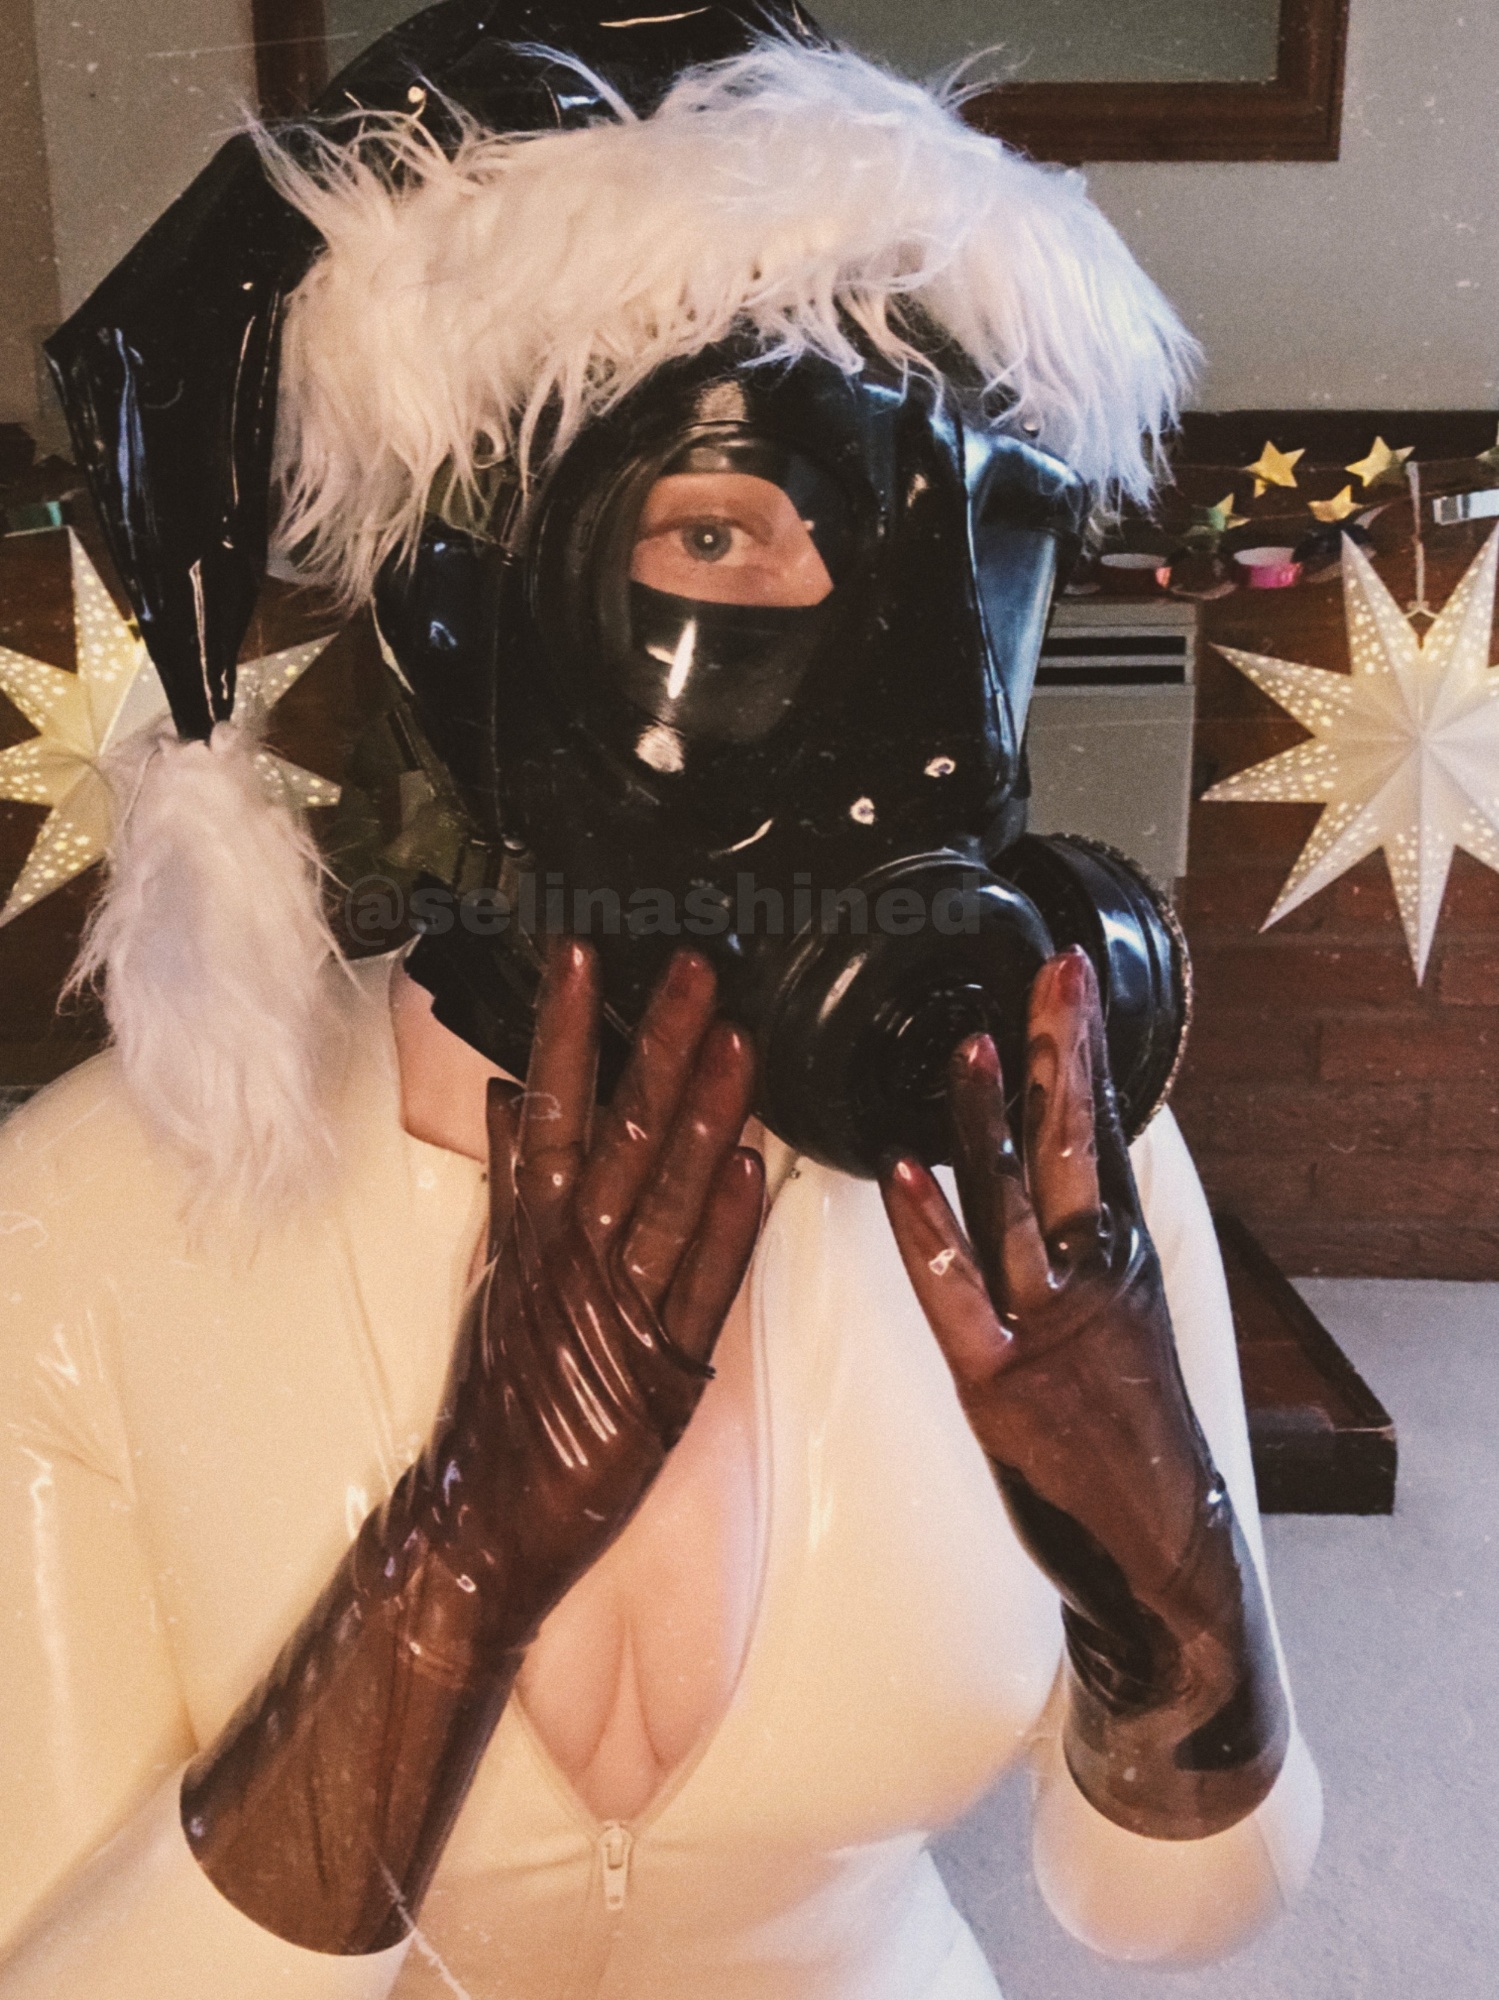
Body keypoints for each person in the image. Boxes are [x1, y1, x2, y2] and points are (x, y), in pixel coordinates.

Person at [0, 5, 1321, 1995]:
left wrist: (1176, 1595)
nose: (936, 727)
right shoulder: (88, 1220)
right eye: (721, 530)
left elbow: (1171, 1907)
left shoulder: (1051, 1169)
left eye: (977, 549)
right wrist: (449, 1572)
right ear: (456, 604)